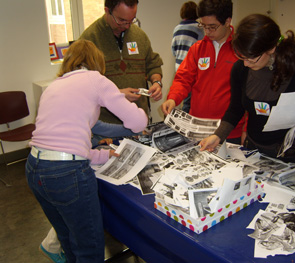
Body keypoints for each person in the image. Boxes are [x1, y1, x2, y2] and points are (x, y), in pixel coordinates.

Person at [26, 39, 148, 263]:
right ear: (96, 62)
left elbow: (61, 143)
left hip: (35, 168)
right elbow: (138, 123)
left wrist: (102, 155)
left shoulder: (54, 86)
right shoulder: (95, 79)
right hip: (66, 174)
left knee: (68, 239)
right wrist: (139, 112)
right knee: (89, 248)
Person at [199, 14, 295, 164]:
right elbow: (235, 108)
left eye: (251, 59)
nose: (245, 64)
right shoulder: (241, 69)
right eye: (242, 57)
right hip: (253, 148)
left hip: (288, 153)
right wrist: (217, 136)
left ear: (271, 48)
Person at [162, 0, 246, 145]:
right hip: (198, 128)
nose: (207, 31)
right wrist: (173, 98)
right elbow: (183, 78)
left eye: (212, 27)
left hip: (230, 132)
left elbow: (249, 94)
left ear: (227, 21)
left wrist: (246, 129)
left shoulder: (241, 50)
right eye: (203, 26)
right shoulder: (198, 49)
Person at [79, 0, 163, 126]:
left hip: (138, 121)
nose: (127, 26)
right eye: (122, 20)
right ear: (107, 11)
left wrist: (157, 82)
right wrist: (116, 94)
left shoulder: (139, 36)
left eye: (131, 20)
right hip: (106, 125)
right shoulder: (90, 39)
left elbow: (153, 64)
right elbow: (81, 86)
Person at [171, 1, 205, 113]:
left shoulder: (177, 28)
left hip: (179, 66)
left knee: (184, 98)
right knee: (189, 102)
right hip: (192, 69)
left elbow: (174, 50)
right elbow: (203, 48)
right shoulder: (198, 28)